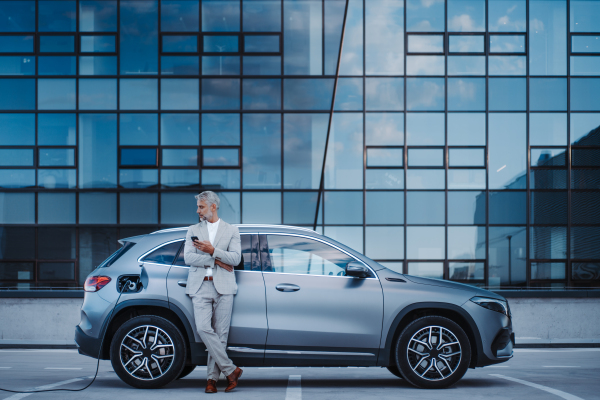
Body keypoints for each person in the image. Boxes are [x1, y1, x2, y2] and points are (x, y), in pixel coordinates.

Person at [184, 191, 243, 393]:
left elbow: (235, 259)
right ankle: (231, 370)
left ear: (213, 207)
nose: (198, 210)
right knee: (202, 328)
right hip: (200, 285)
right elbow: (188, 258)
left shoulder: (231, 230)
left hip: (224, 286)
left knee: (221, 335)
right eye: (198, 206)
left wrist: (212, 251)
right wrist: (215, 259)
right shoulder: (193, 229)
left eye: (201, 206)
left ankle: (212, 380)